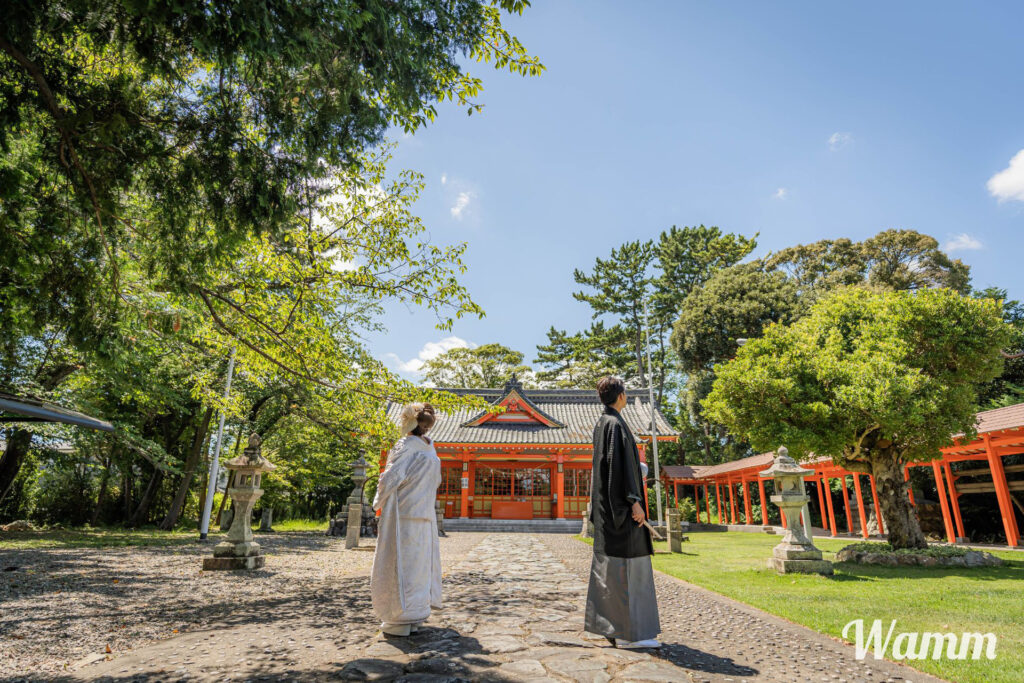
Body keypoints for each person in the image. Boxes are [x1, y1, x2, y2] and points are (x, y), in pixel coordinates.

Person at [584, 376, 661, 649]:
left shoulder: (602, 424)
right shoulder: (615, 425)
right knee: (627, 570)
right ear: (621, 396)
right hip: (623, 513)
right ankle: (629, 634)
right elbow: (621, 469)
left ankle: (614, 629)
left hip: (608, 512)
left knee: (611, 572)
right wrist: (634, 502)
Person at [370, 402, 442, 636]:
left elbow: (391, 477)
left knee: (400, 563)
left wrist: (377, 502)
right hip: (425, 513)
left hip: (403, 514)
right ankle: (416, 613)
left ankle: (398, 617)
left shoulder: (405, 445)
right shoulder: (431, 448)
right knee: (419, 566)